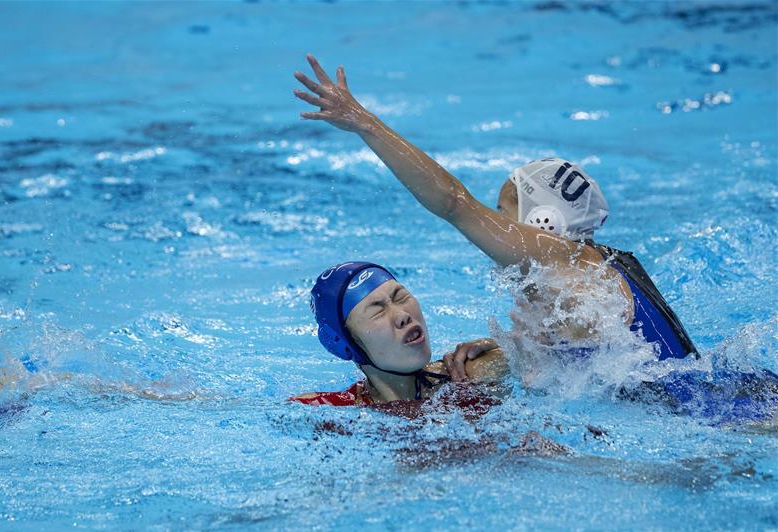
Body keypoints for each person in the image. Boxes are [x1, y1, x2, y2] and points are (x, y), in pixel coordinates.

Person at [293, 54, 697, 365]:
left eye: (503, 211)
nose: (495, 222)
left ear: (543, 224)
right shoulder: (595, 273)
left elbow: (453, 203)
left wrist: (364, 123)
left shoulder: (565, 258)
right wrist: (507, 352)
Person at [289, 261, 509, 414]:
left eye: (401, 297)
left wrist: (511, 349)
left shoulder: (469, 374)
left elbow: (541, 358)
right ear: (346, 345)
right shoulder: (328, 410)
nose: (403, 315)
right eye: (377, 311)